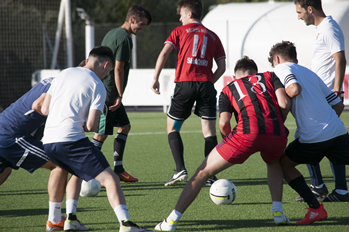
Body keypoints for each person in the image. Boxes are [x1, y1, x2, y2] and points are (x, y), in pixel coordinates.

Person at [154, 56, 291, 231]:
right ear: (255, 73)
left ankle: (171, 221)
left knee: (202, 172)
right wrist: (279, 122)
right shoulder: (269, 77)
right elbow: (284, 103)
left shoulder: (229, 89)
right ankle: (278, 212)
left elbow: (223, 123)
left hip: (245, 136)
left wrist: (230, 141)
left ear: (235, 77)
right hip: (277, 134)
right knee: (273, 163)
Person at [41, 46, 153, 232]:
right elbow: (92, 126)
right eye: (108, 71)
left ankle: (69, 219)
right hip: (71, 140)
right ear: (106, 64)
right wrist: (79, 123)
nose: (107, 74)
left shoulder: (64, 73)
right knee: (110, 179)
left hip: (49, 142)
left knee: (75, 172)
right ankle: (126, 224)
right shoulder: (97, 85)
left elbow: (45, 110)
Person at [268, 40, 349, 224]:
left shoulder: (279, 70)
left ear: (277, 59)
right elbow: (337, 104)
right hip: (337, 132)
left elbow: (294, 88)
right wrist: (327, 126)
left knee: (283, 165)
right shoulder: (310, 73)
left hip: (312, 138)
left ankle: (315, 208)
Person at [151, 0, 226, 187]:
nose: (179, 18)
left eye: (181, 14)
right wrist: (208, 81)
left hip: (185, 84)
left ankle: (180, 170)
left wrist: (155, 78)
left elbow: (164, 54)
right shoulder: (213, 36)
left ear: (189, 14)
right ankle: (210, 174)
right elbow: (222, 66)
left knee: (172, 128)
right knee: (208, 132)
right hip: (206, 86)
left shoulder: (179, 31)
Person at [0, 77, 88, 231]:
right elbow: (39, 106)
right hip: (12, 136)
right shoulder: (64, 85)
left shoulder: (58, 80)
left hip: (5, 129)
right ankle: (54, 220)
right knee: (61, 163)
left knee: (3, 174)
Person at [294, 0, 349, 202]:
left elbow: (340, 59)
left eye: (300, 12)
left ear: (310, 9)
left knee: (310, 136)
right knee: (314, 136)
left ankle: (325, 187)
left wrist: (337, 92)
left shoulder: (329, 28)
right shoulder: (322, 28)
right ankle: (331, 188)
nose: (298, 16)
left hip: (325, 95)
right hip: (320, 94)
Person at [91, 5, 152, 183]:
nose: (142, 28)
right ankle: (83, 171)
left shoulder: (111, 33)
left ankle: (118, 169)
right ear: (131, 19)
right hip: (109, 93)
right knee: (100, 134)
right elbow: (118, 68)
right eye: (141, 24)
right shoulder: (125, 39)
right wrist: (119, 95)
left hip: (109, 90)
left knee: (124, 126)